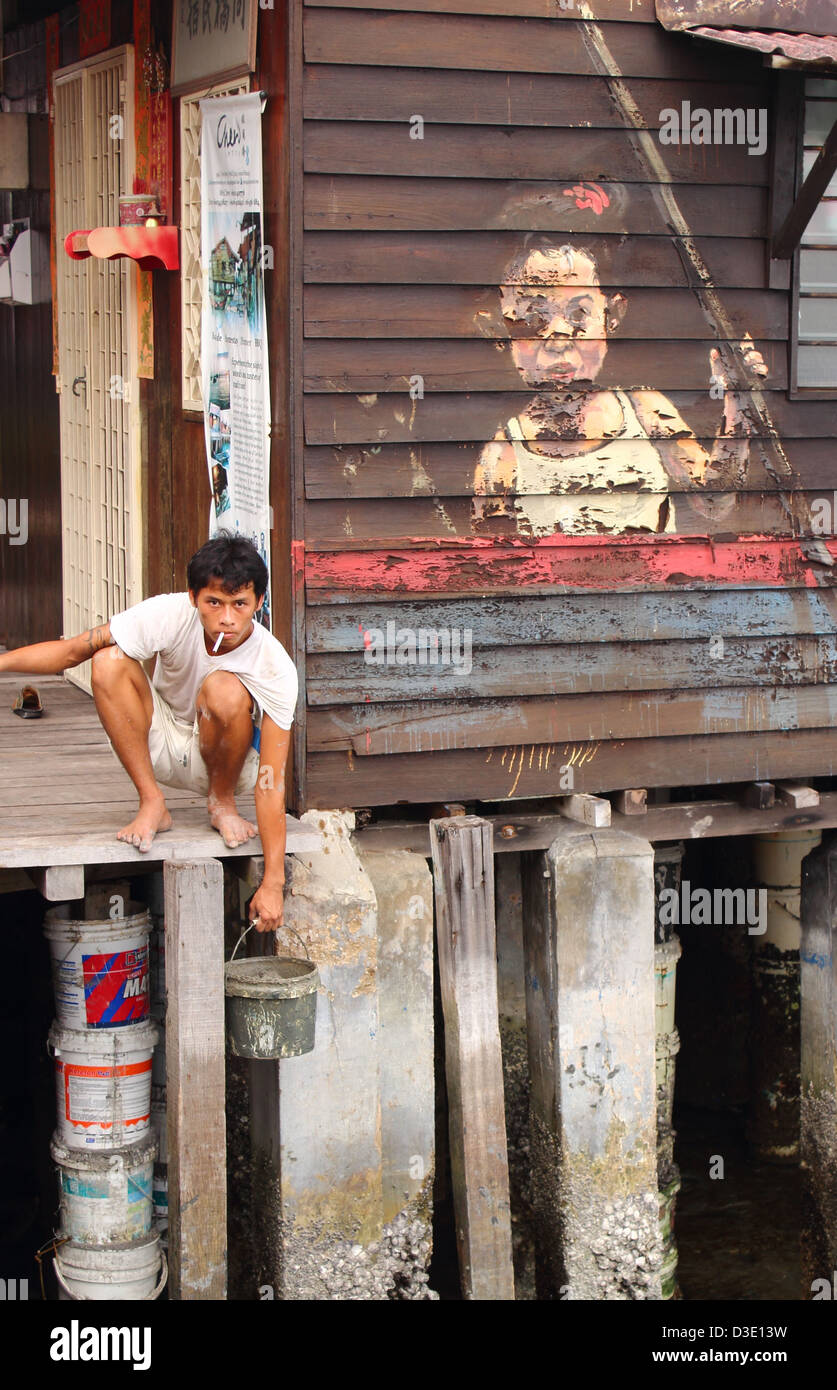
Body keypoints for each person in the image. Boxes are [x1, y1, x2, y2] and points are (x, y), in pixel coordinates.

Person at [0, 534, 296, 932]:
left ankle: (220, 804)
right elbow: (72, 651)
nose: (227, 617)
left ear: (258, 603)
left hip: (232, 760)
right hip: (162, 741)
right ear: (193, 597)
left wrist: (272, 881)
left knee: (224, 689)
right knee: (107, 660)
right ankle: (152, 802)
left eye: (240, 604)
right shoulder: (169, 613)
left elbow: (271, 780)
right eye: (214, 602)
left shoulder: (274, 664)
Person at [472, 237, 769, 536]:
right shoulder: (503, 454)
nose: (559, 339)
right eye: (533, 318)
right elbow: (495, 562)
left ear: (610, 317)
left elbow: (713, 500)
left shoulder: (643, 409)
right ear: (500, 332)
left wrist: (739, 400)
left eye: (578, 314)